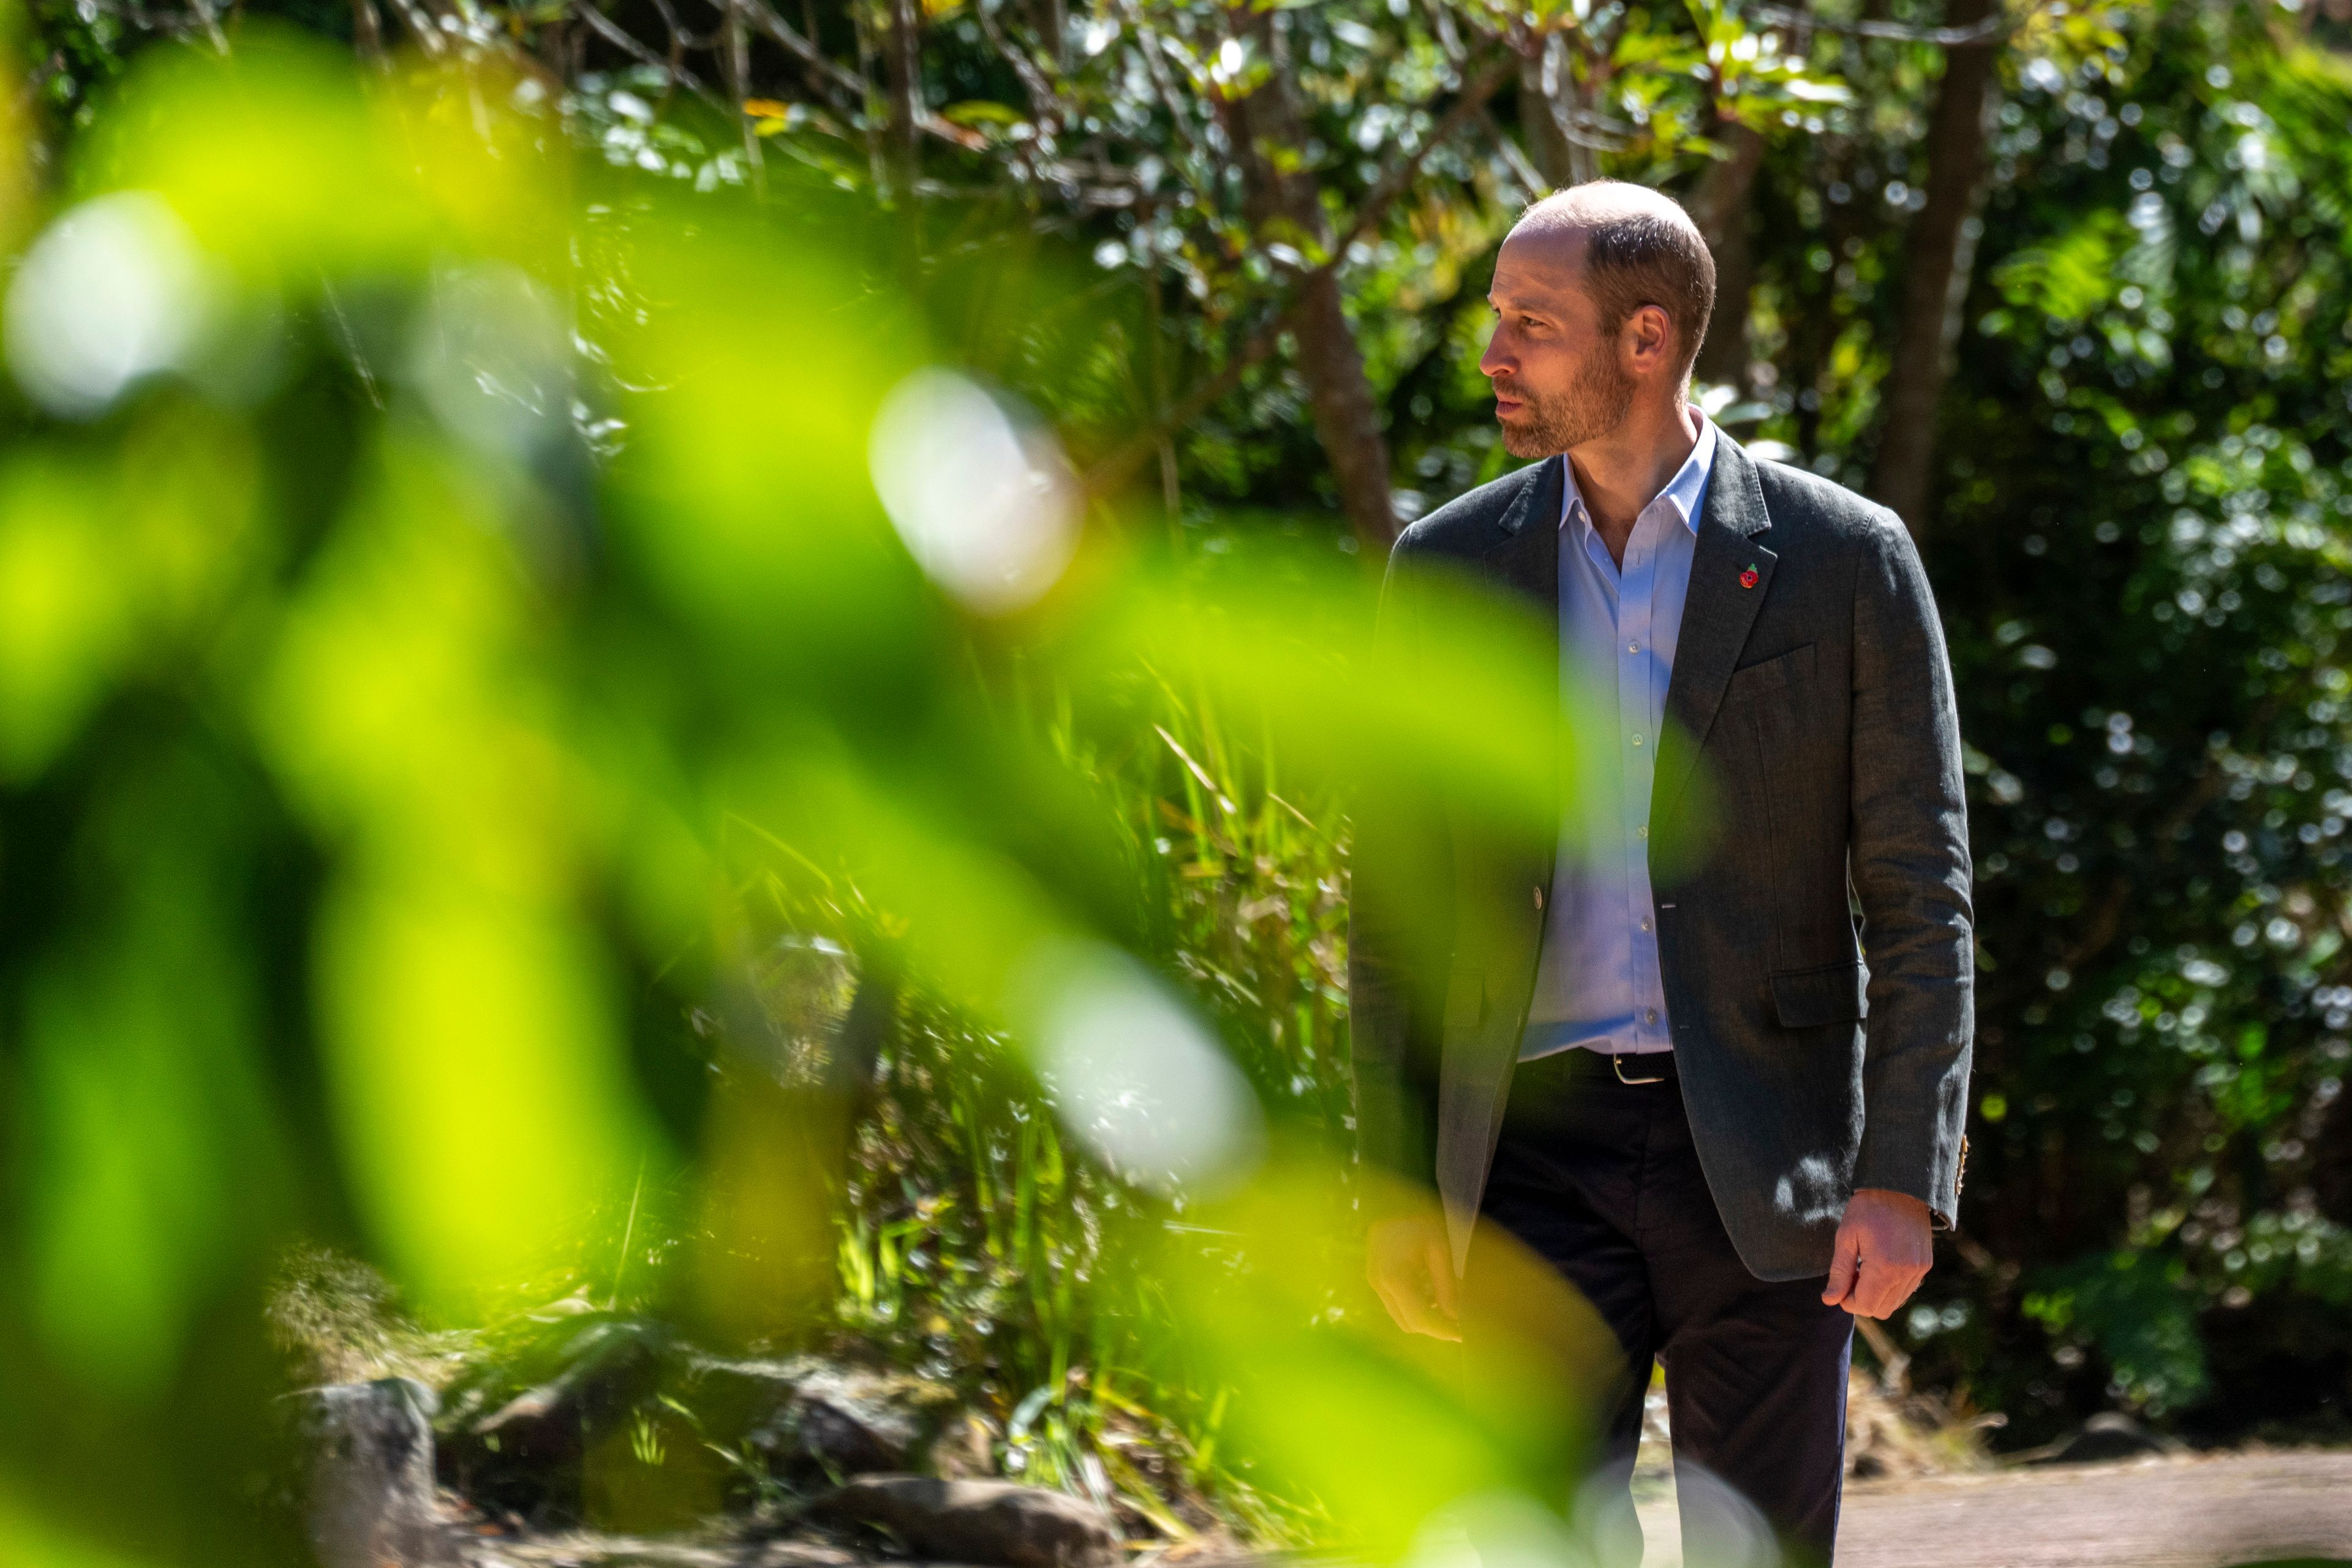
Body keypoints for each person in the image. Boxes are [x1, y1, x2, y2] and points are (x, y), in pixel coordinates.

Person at [1348, 181, 1973, 1566]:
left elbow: (1922, 893)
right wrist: (1395, 1180)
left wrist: (1903, 1172)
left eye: (1532, 323)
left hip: (1765, 1151)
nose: (1494, 355)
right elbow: (1394, 911)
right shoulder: (1446, 566)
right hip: (1526, 1153)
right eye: (1497, 321)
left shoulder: (1843, 559)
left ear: (1644, 339)